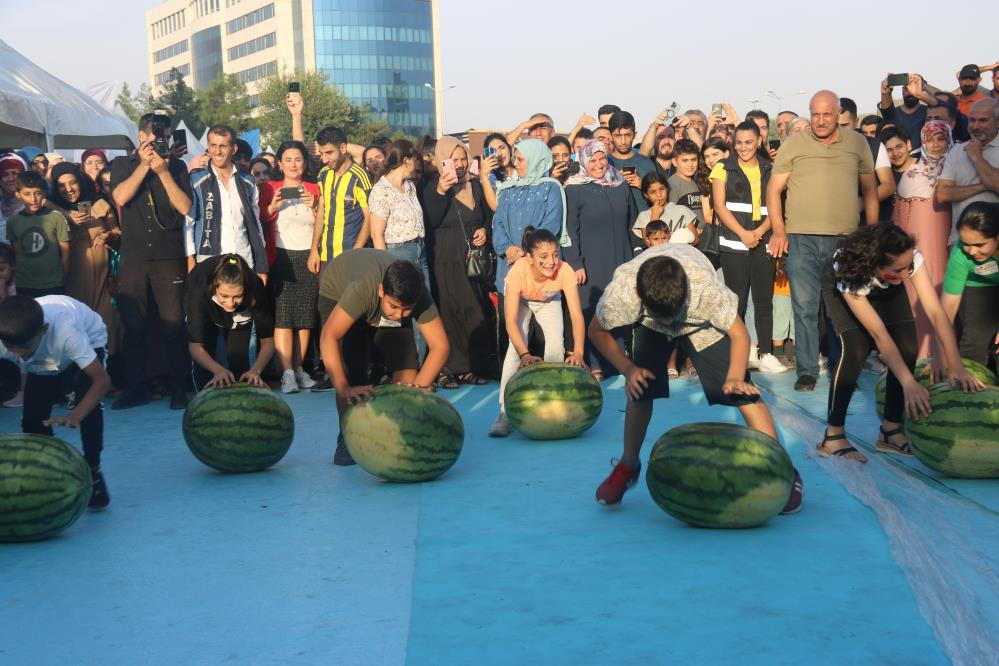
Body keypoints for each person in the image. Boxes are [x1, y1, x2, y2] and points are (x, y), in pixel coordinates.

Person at [587, 243, 803, 512]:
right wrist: (628, 370)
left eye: (672, 316)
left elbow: (739, 334)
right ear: (637, 296)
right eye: (662, 317)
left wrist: (735, 377)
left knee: (743, 392)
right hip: (647, 324)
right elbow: (596, 331)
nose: (669, 325)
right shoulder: (622, 293)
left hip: (699, 324)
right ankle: (628, 464)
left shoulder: (705, 292)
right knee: (640, 388)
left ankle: (783, 469)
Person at [817, 224, 985, 462]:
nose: (907, 274)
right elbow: (879, 335)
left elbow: (936, 313)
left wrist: (956, 366)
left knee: (908, 347)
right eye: (900, 269)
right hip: (846, 283)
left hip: (884, 280)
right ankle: (833, 436)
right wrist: (909, 384)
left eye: (908, 267)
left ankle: (890, 430)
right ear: (876, 263)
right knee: (856, 349)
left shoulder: (905, 263)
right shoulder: (850, 271)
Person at [766, 91, 879, 392]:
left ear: (839, 113)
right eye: (815, 114)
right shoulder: (794, 143)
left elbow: (870, 190)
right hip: (800, 239)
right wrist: (779, 231)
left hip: (845, 240)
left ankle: (842, 368)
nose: (820, 120)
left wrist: (870, 234)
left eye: (827, 114)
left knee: (841, 308)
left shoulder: (857, 143)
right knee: (804, 306)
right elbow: (773, 189)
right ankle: (806, 371)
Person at [317, 250, 449, 465]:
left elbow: (440, 346)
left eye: (407, 310)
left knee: (406, 366)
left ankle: (400, 429)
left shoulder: (416, 293)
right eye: (394, 307)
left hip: (376, 296)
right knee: (354, 371)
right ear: (381, 290)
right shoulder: (362, 289)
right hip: (338, 289)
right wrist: (343, 388)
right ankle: (347, 436)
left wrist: (417, 390)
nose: (398, 315)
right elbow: (328, 337)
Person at [109, 111, 194, 410]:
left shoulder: (178, 167)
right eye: (157, 137)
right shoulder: (122, 164)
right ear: (141, 137)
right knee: (133, 326)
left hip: (168, 257)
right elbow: (120, 197)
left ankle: (179, 387)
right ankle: (136, 387)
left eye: (166, 137)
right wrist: (144, 166)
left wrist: (163, 172)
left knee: (173, 325)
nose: (162, 142)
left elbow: (184, 206)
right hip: (134, 257)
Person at [0, 295, 113, 508]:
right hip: (46, 360)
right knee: (32, 421)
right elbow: (19, 350)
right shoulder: (9, 338)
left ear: (43, 329)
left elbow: (102, 381)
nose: (16, 353)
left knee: (88, 407)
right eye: (9, 346)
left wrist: (75, 415)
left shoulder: (67, 333)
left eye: (22, 347)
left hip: (89, 340)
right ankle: (45, 475)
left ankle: (93, 471)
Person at [489, 227, 587, 436]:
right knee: (515, 352)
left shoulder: (565, 270)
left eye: (555, 254)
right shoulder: (517, 273)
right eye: (543, 256)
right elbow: (511, 322)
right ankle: (505, 413)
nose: (551, 261)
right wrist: (525, 354)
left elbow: (577, 316)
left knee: (555, 347)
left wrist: (578, 351)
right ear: (529, 257)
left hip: (549, 300)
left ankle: (553, 404)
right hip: (522, 301)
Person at [710, 121, 788, 374]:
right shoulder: (723, 167)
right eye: (739, 142)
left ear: (759, 141)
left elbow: (776, 205)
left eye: (749, 142)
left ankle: (765, 352)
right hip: (734, 244)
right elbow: (720, 207)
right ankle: (739, 353)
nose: (743, 148)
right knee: (737, 300)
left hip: (763, 242)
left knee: (764, 300)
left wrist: (761, 231)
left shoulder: (770, 167)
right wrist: (744, 234)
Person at [421, 136, 493, 388]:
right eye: (454, 160)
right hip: (443, 256)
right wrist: (441, 190)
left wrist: (485, 231)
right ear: (442, 161)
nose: (460, 165)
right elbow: (429, 220)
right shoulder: (430, 186)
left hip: (472, 257)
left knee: (475, 308)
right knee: (448, 310)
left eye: (464, 159)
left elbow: (488, 215)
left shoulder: (474, 186)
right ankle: (447, 368)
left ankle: (472, 366)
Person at [563, 139, 636, 378]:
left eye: (602, 158)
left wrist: (635, 257)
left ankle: (618, 361)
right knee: (593, 309)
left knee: (618, 307)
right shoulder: (574, 188)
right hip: (590, 263)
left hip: (621, 258)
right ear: (583, 161)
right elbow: (569, 230)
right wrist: (575, 262)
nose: (598, 164)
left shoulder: (620, 184)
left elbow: (632, 223)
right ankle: (594, 362)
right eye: (592, 160)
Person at [258, 141, 321, 394]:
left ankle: (299, 368)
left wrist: (314, 207)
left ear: (305, 162)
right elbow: (261, 217)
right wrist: (272, 206)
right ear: (280, 164)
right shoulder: (270, 187)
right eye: (288, 159)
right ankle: (286, 373)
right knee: (284, 316)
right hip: (281, 255)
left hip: (308, 254)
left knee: (305, 317)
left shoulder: (314, 188)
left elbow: (321, 224)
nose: (293, 164)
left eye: (298, 159)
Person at [892, 120, 954, 360]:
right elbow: (899, 217)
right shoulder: (912, 174)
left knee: (948, 297)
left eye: (940, 138)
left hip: (950, 247)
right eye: (930, 139)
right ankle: (921, 355)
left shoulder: (959, 171)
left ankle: (950, 356)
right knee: (918, 297)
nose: (936, 144)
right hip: (918, 249)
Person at [186, 125, 269, 279]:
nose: (217, 151)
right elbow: (189, 223)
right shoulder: (196, 180)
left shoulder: (248, 181)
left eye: (223, 146)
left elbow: (255, 223)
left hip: (244, 258)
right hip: (209, 260)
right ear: (208, 147)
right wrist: (190, 258)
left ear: (233, 148)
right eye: (213, 146)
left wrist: (261, 263)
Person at [185, 253, 275, 390]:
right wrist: (218, 370)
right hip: (208, 312)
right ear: (214, 287)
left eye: (237, 296)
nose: (230, 303)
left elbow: (267, 342)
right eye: (224, 296)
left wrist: (255, 371)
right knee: (207, 373)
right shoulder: (199, 289)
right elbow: (196, 346)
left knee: (240, 370)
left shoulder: (256, 289)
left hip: (240, 316)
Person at [47, 163, 119, 335]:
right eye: (61, 185)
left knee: (107, 325)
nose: (68, 189)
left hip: (104, 281)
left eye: (73, 182)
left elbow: (117, 231)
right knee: (78, 328)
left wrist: (110, 236)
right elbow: (42, 200)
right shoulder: (51, 210)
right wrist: (67, 214)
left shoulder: (99, 203)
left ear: (80, 181)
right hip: (72, 282)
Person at [941, 202, 999, 368]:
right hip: (978, 284)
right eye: (967, 244)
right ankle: (969, 388)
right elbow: (947, 310)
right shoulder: (959, 254)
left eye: (980, 245)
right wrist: (941, 354)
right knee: (975, 342)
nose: (972, 252)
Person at [307, 127, 372, 270]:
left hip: (350, 256)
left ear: (343, 148)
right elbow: (321, 213)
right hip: (325, 255)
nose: (324, 159)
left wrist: (356, 252)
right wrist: (314, 250)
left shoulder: (360, 177)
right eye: (322, 154)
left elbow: (369, 218)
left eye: (329, 153)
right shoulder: (323, 174)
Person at [938, 98, 999, 244]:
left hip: (994, 242)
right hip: (959, 242)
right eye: (972, 120)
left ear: (998, 122)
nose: (976, 126)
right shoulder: (957, 150)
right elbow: (943, 194)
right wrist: (984, 185)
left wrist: (976, 156)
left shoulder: (972, 151)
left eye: (983, 120)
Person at [5, 171, 69, 298]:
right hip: (25, 284)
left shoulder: (57, 218)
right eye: (27, 194)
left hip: (53, 284)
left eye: (38, 193)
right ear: (18, 195)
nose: (33, 199)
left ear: (44, 194)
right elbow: (17, 253)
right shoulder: (12, 221)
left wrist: (62, 278)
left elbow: (66, 253)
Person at [632, 172, 698, 249]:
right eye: (653, 192)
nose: (659, 195)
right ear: (646, 195)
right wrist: (655, 216)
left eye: (661, 189)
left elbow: (696, 239)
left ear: (667, 188)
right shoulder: (644, 216)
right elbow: (649, 244)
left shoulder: (682, 210)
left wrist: (678, 247)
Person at [608, 111, 656, 212]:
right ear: (610, 135)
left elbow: (660, 200)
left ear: (634, 134)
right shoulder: (604, 163)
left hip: (644, 225)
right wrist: (615, 181)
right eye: (618, 136)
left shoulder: (646, 164)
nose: (623, 141)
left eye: (628, 135)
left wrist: (643, 185)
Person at [667, 139, 704, 226]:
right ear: (674, 162)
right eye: (685, 160)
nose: (690, 164)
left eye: (693, 159)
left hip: (704, 236)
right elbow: (670, 217)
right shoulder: (672, 184)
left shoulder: (698, 181)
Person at [479, 133, 517, 212]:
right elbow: (495, 207)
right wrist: (484, 175)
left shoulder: (521, 169)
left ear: (509, 148)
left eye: (502, 148)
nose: (499, 154)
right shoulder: (490, 177)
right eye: (494, 151)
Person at [1, 152, 27, 221]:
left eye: (15, 173)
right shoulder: (2, 203)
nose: (11, 179)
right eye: (5, 175)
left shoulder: (35, 202)